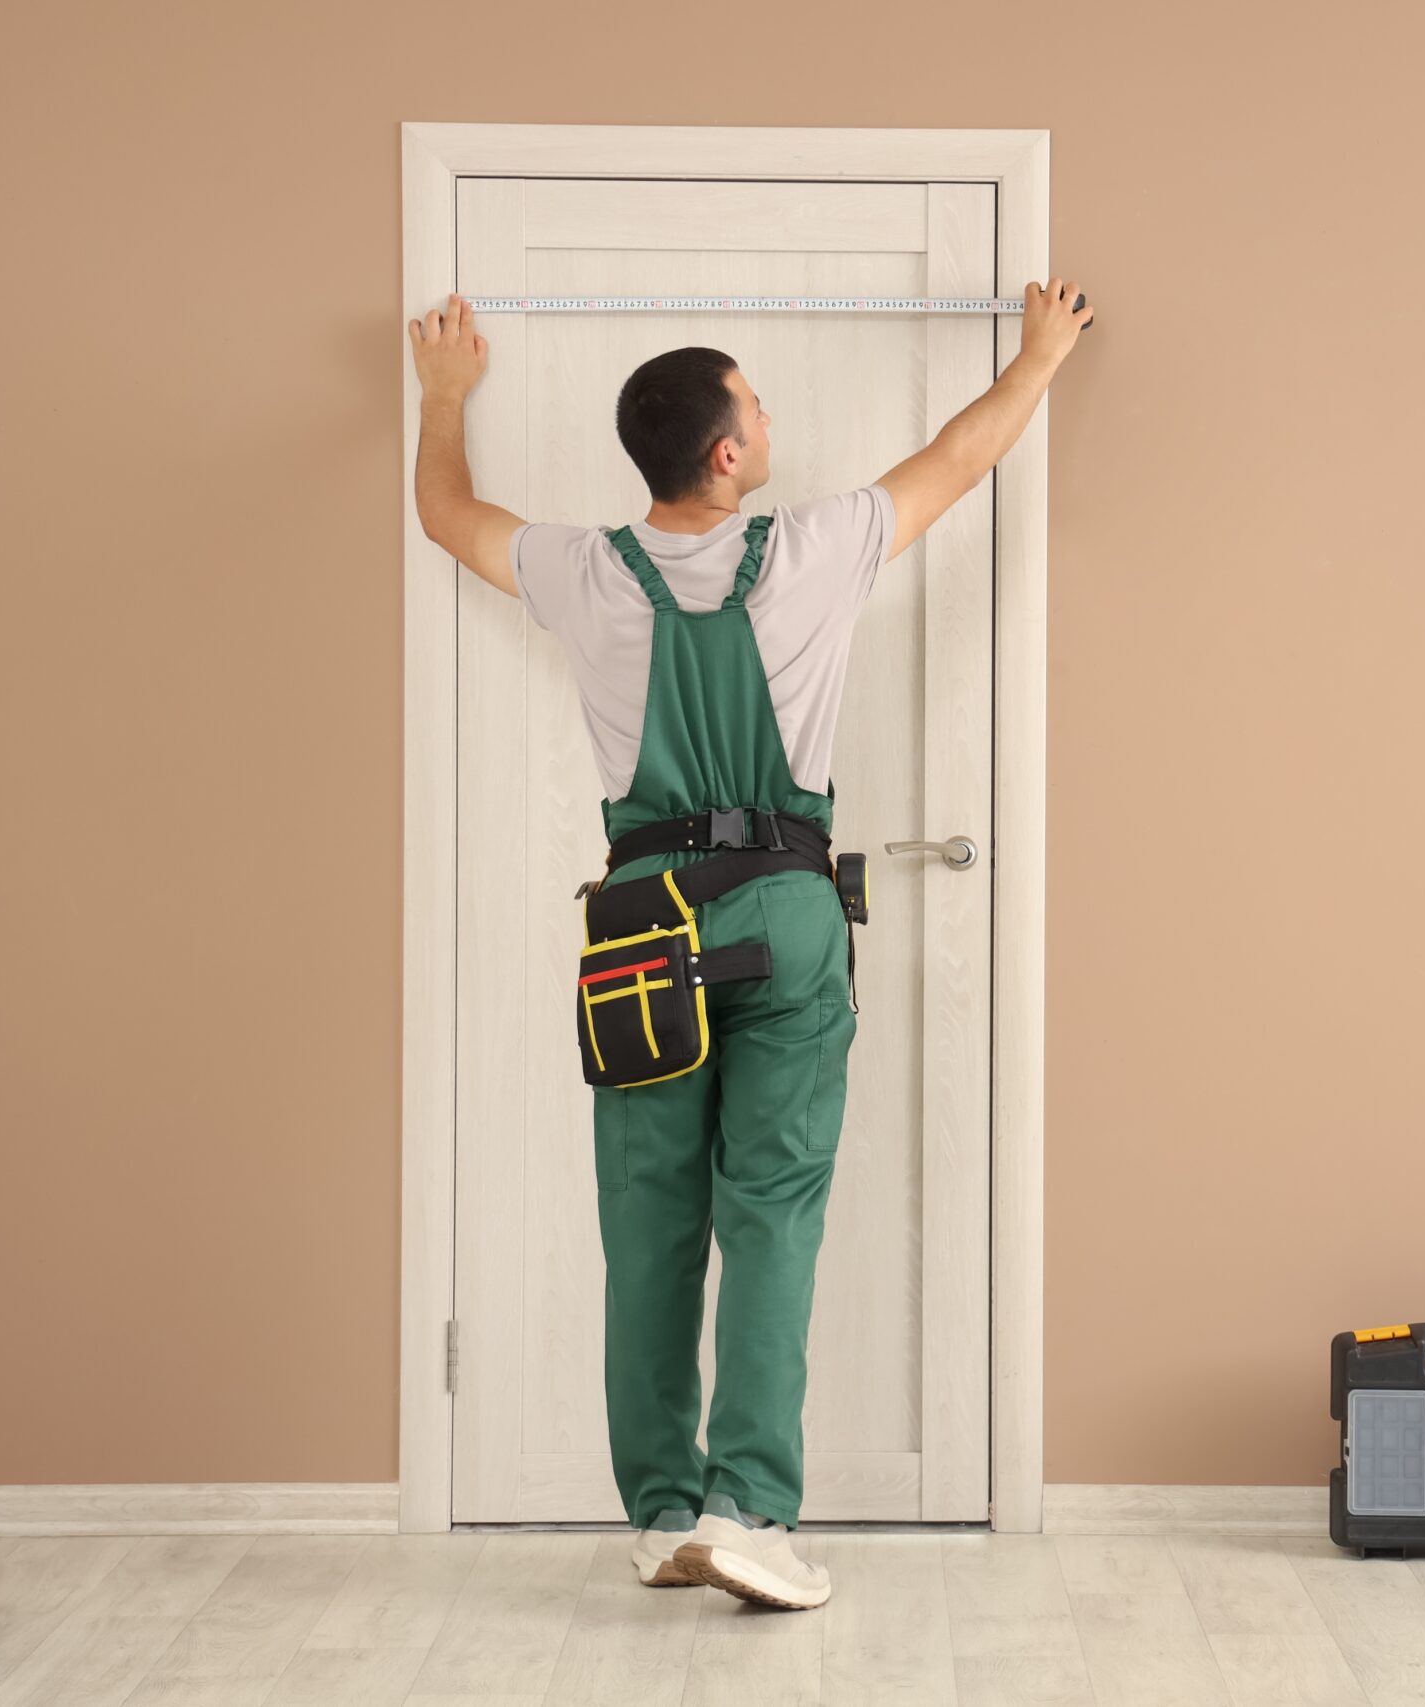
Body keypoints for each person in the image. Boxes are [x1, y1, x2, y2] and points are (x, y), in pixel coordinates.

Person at [407, 278, 1095, 1609]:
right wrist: (1040, 355)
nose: (772, 426)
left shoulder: (585, 571)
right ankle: (750, 1515)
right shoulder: (820, 549)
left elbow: (447, 514)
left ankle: (663, 1507)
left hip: (642, 927)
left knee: (649, 1225)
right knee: (769, 1215)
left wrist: (444, 402)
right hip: (783, 912)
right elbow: (965, 454)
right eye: (759, 409)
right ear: (727, 455)